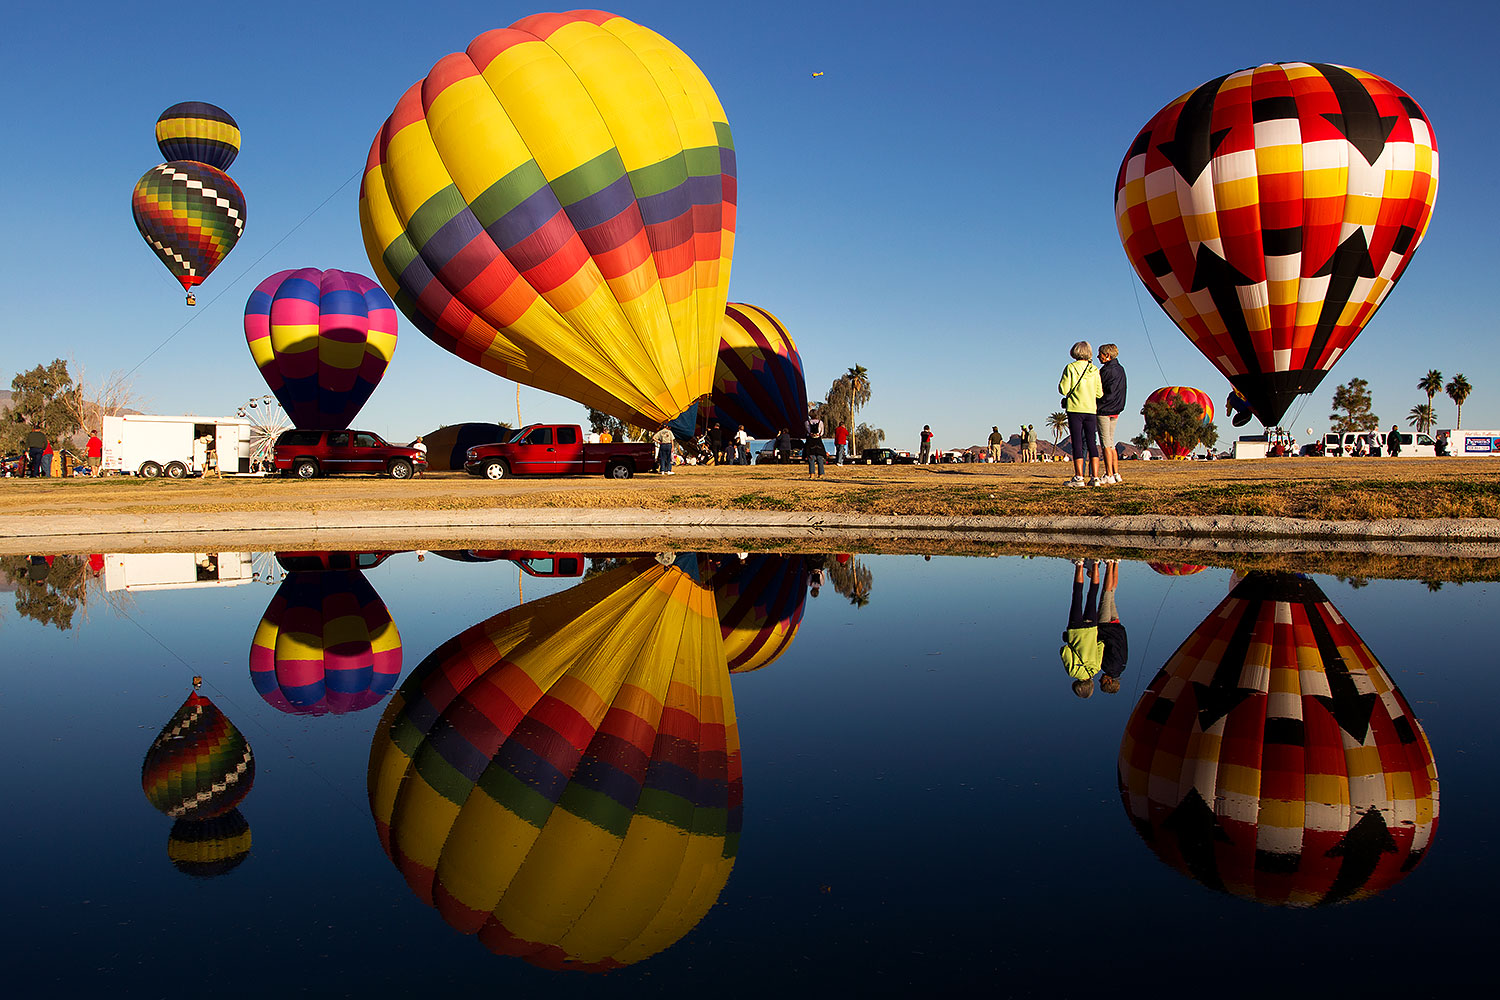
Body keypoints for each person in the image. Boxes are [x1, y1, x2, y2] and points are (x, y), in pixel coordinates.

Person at [1058, 340, 1103, 486]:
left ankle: (1079, 477)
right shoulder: (1094, 370)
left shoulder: (1070, 368)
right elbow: (1099, 393)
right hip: (1091, 409)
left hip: (1075, 409)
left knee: (1077, 442)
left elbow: (1063, 389)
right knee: (1092, 442)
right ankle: (1095, 477)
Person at [1060, 558, 1104, 698]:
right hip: (1075, 630)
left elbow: (1100, 645)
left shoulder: (1096, 669)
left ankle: (1096, 564)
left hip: (1091, 629)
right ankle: (1079, 564)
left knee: (1093, 596)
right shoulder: (1072, 672)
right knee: (1077, 596)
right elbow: (1064, 650)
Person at [1096, 560, 1128, 694]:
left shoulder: (1122, 667)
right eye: (1102, 682)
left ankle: (1116, 563)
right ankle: (1110, 563)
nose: (1100, 679)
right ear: (1109, 681)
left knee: (1112, 594)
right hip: (1106, 627)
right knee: (1106, 594)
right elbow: (1106, 646)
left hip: (1117, 627)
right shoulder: (1107, 667)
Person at [1096, 343, 1127, 484]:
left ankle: (1108, 475)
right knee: (1112, 443)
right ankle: (1116, 473)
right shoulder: (1120, 369)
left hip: (1104, 409)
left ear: (1107, 355)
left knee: (1105, 444)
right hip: (1116, 409)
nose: (1098, 357)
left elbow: (1099, 389)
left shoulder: (1106, 371)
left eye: (1100, 354)